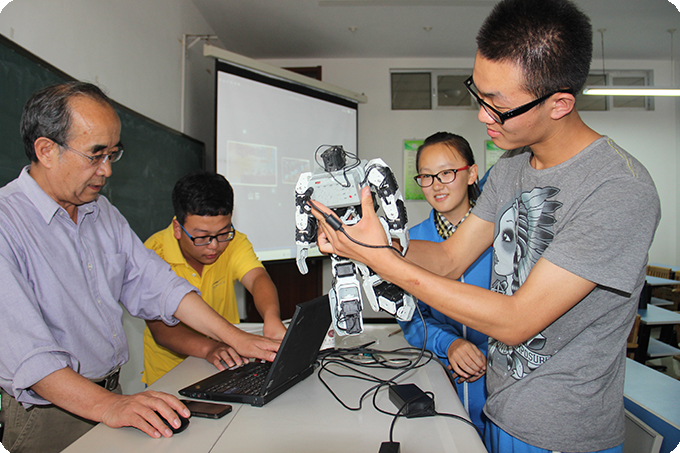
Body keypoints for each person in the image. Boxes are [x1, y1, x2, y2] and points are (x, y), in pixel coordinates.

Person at [311, 0, 661, 452]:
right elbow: (449, 258)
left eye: (498, 105)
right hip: (500, 408)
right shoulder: (512, 168)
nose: (482, 115)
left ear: (559, 104)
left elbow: (516, 321)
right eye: (479, 95)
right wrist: (378, 240)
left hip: (562, 433)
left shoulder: (617, 190)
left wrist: (381, 261)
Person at [0, 81, 279, 452]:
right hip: (49, 415)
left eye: (112, 155)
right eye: (95, 155)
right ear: (46, 150)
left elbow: (160, 286)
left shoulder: (102, 213)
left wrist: (236, 337)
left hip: (111, 394)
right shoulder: (7, 225)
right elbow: (27, 356)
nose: (106, 171)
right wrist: (110, 405)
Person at [142, 170, 287, 385]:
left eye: (222, 233)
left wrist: (271, 317)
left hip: (227, 367)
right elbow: (161, 330)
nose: (214, 246)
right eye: (202, 237)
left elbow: (258, 278)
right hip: (168, 376)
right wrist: (210, 348)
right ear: (177, 229)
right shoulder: (153, 254)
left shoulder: (234, 243)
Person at [398, 132, 492, 436]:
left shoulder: (503, 236)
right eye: (426, 176)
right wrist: (450, 343)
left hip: (502, 383)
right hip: (444, 379)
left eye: (447, 173)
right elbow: (412, 318)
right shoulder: (411, 243)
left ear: (471, 173)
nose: (436, 185)